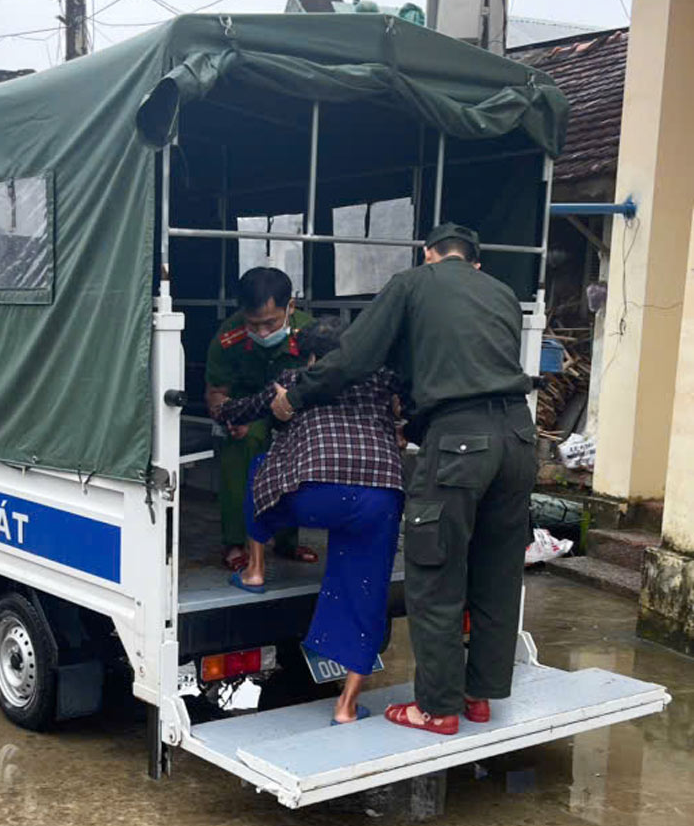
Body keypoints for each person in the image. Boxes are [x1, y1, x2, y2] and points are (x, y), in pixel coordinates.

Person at [271, 224, 537, 736]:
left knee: (435, 572)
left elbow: (354, 356)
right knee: (497, 572)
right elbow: (461, 360)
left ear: (428, 254)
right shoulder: (502, 293)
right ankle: (478, 696)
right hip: (519, 439)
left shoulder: (414, 282)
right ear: (475, 263)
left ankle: (437, 708)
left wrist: (296, 396)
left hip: (461, 442)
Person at [212, 318, 404, 725]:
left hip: (316, 493)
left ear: (306, 352)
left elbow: (244, 409)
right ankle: (346, 707)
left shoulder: (292, 377)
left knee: (261, 470)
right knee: (365, 592)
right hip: (380, 493)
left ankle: (255, 571)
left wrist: (219, 409)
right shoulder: (382, 378)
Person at [205, 267, 314, 572]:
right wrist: (228, 416)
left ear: (290, 306)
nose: (263, 332)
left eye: (271, 323)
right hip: (246, 412)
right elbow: (216, 393)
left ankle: (286, 541)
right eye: (254, 325)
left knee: (296, 457)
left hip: (294, 409)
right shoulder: (228, 338)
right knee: (244, 444)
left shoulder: (309, 333)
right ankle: (235, 543)